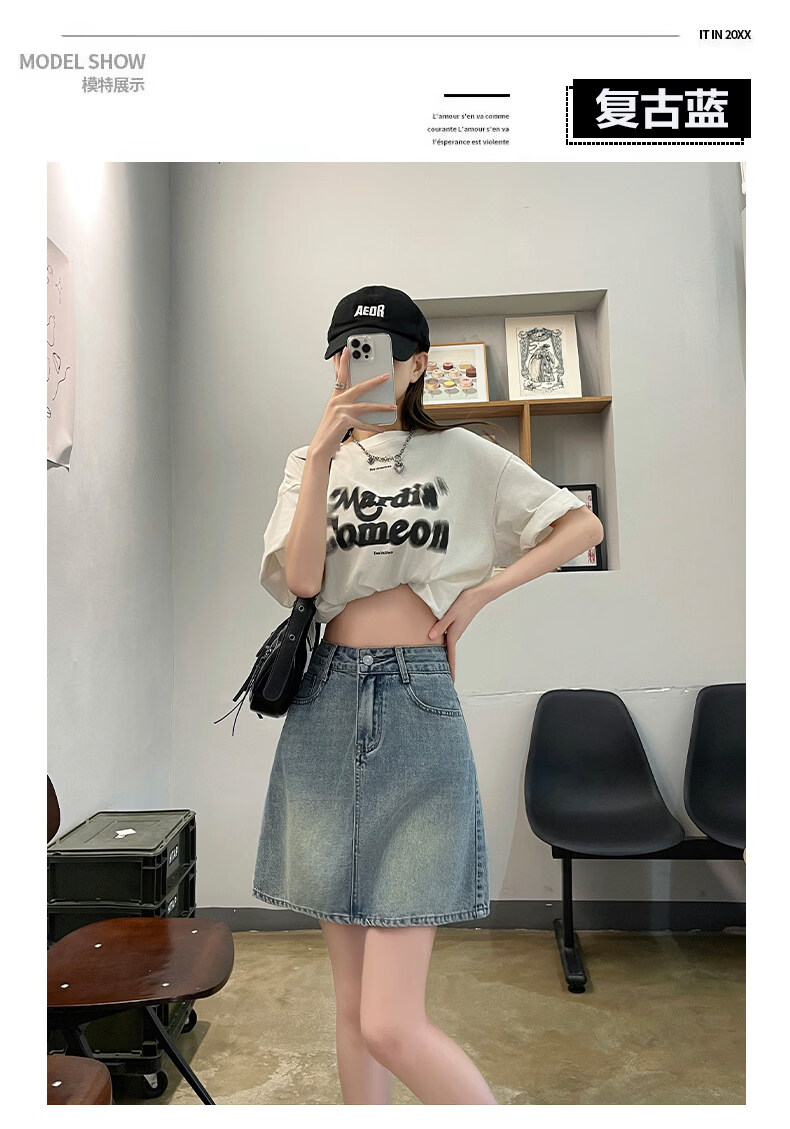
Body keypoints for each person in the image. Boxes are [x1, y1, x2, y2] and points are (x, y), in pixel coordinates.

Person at [252, 284, 603, 1105]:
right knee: (351, 1005)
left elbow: (577, 526)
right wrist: (323, 450)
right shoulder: (309, 463)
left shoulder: (467, 455)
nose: (358, 366)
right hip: (325, 705)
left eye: (379, 353)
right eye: (346, 351)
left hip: (417, 705)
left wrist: (480, 593)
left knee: (390, 1020)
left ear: (417, 366)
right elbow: (301, 580)